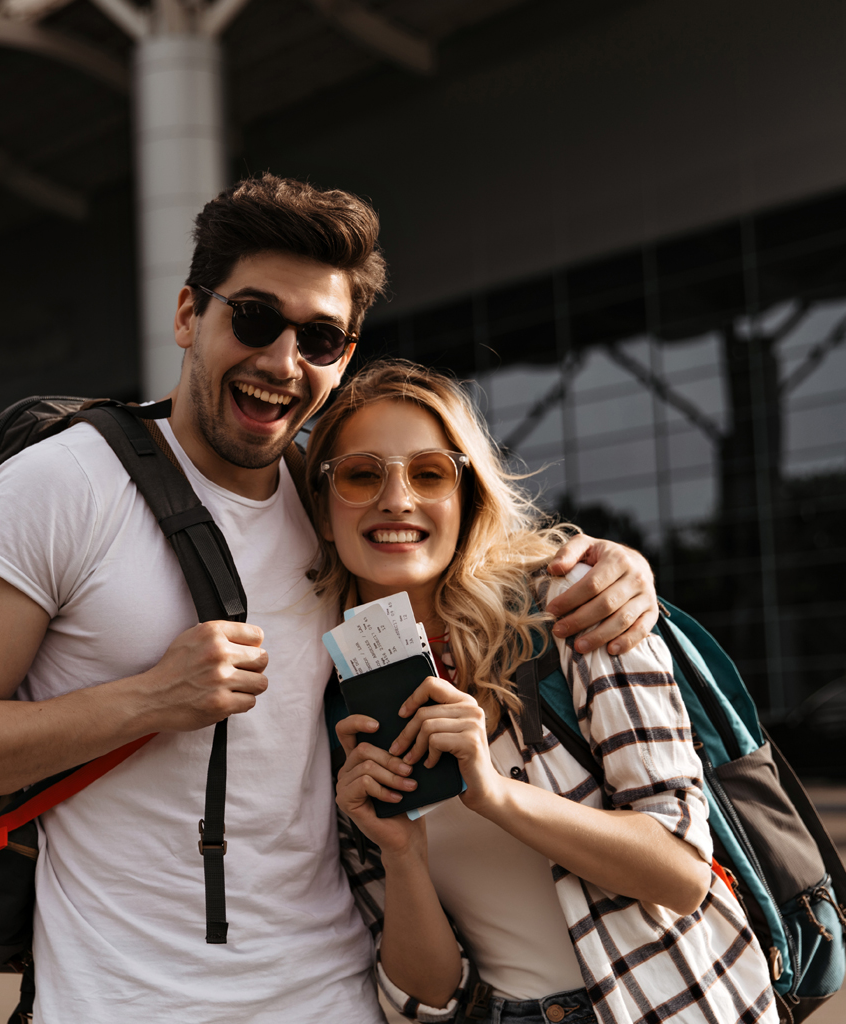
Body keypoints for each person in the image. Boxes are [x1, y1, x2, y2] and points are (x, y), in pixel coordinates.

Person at [0, 175, 662, 1024]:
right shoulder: (64, 484)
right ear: (188, 316)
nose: (284, 361)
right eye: (254, 318)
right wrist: (147, 699)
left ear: (345, 356)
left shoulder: (331, 502)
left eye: (321, 337)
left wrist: (608, 563)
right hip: (125, 1001)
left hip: (336, 995)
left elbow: (469, 556)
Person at [308, 359, 776, 1024]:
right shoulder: (333, 705)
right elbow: (426, 1004)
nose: (398, 499)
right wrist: (401, 854)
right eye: (361, 474)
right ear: (324, 513)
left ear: (467, 496)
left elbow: (680, 871)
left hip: (672, 1006)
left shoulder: (572, 612)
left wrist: (495, 795)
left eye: (430, 473)